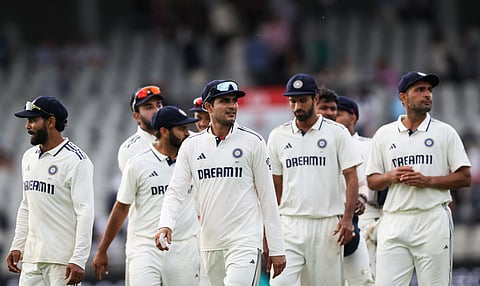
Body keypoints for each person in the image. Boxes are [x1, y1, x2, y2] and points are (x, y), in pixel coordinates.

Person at [155, 79, 286, 286]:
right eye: (224, 101)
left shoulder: (254, 142)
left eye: (234, 101)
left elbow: (268, 197)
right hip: (210, 244)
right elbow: (175, 191)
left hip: (245, 242)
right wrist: (165, 225)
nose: (232, 106)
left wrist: (276, 247)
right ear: (208, 107)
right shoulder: (191, 145)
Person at [366, 71, 472, 286]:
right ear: (403, 97)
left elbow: (465, 177)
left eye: (429, 90)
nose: (427, 95)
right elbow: (372, 181)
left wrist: (429, 182)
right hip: (394, 219)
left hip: (432, 218)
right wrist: (391, 176)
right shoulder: (384, 134)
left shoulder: (445, 132)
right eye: (420, 90)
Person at [267, 73, 361, 285]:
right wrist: (270, 229)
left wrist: (347, 219)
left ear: (315, 99)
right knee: (280, 283)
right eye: (293, 101)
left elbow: (352, 178)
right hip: (290, 224)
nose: (297, 106)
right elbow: (275, 188)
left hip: (327, 225)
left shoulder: (337, 133)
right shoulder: (277, 136)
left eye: (302, 100)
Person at [93, 106, 201, 285]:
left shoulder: (192, 160)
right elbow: (121, 207)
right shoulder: (137, 164)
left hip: (184, 247)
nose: (188, 133)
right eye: (181, 128)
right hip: (146, 247)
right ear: (165, 131)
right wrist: (102, 249)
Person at [5, 96, 94, 285]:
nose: (27, 126)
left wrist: (78, 258)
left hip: (62, 262)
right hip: (31, 259)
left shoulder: (77, 161)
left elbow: (85, 212)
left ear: (51, 122)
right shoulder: (28, 157)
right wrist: (17, 245)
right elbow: (26, 206)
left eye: (33, 120)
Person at [335, 96, 375, 285]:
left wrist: (362, 197)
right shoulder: (325, 146)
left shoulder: (370, 146)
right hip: (334, 220)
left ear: (353, 117)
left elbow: (373, 182)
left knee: (366, 279)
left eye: (339, 113)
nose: (333, 117)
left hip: (370, 220)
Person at [118, 85, 164, 172]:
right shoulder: (130, 149)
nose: (157, 111)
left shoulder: (177, 136)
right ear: (137, 116)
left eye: (159, 105)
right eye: (149, 107)